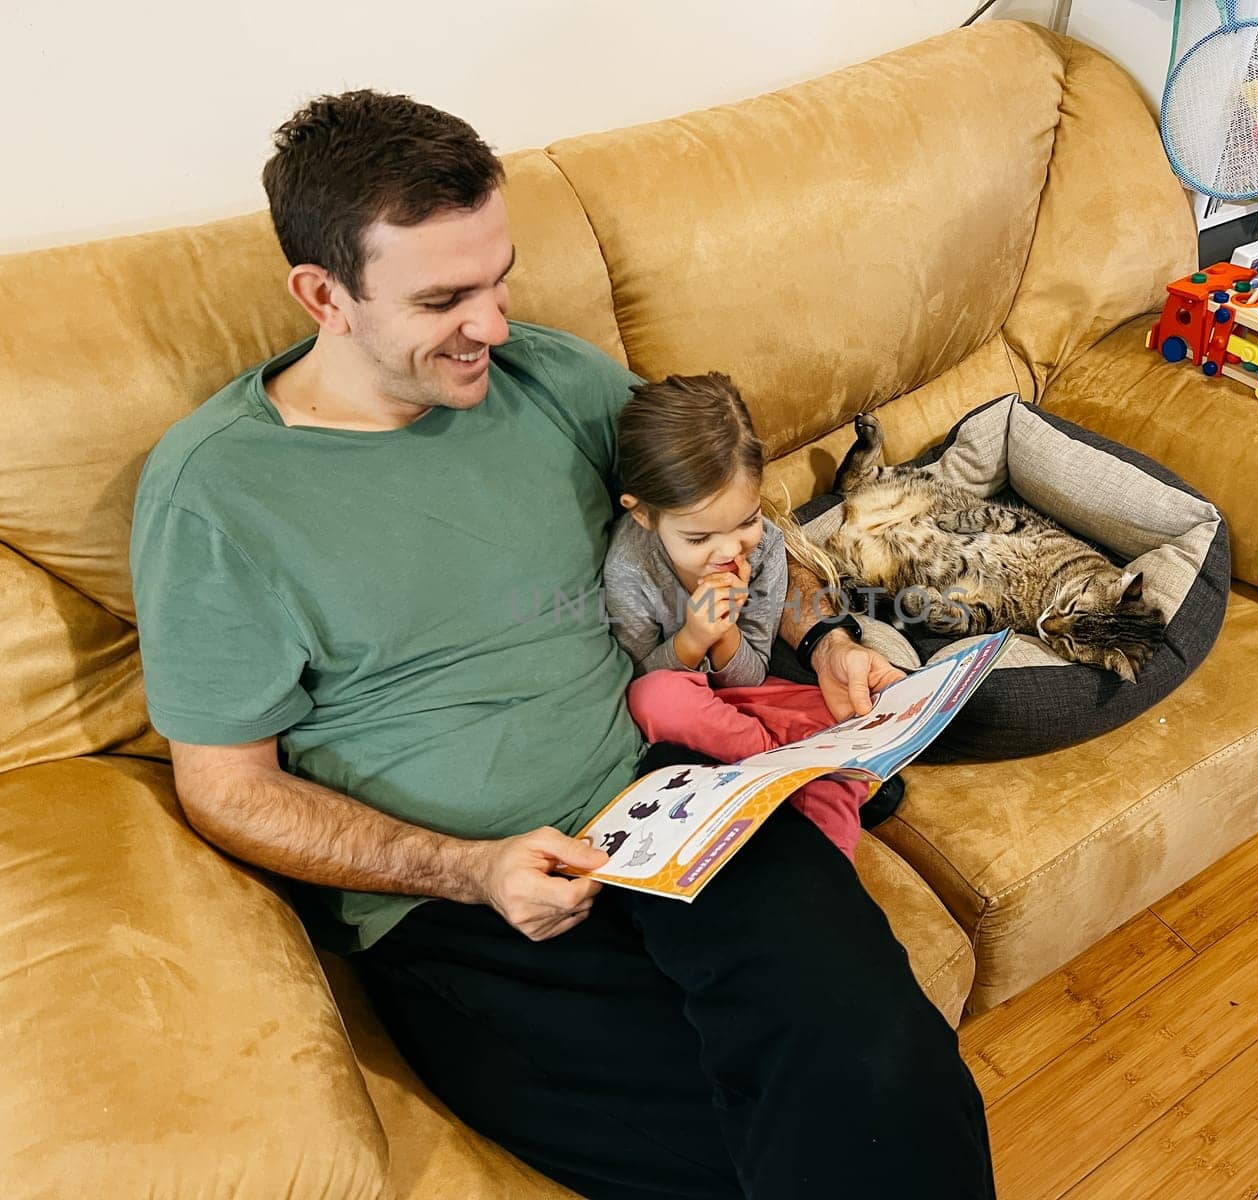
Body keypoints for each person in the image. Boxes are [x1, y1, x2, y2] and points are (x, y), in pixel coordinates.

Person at [129, 88, 995, 1200]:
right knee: (732, 1157)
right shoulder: (217, 496)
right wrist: (468, 870)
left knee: (884, 1074)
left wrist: (819, 632)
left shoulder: (554, 379)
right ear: (322, 295)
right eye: (444, 298)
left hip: (676, 797)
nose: (491, 325)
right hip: (463, 902)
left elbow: (730, 518)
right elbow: (223, 788)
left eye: (499, 279)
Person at [604, 371, 871, 860]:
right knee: (655, 696)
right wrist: (691, 639)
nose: (728, 549)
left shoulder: (767, 546)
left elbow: (753, 672)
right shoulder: (630, 568)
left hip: (754, 699)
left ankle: (823, 845)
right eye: (699, 538)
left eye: (746, 521)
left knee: (852, 711)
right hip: (691, 711)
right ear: (643, 515)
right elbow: (639, 680)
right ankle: (789, 769)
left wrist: (724, 634)